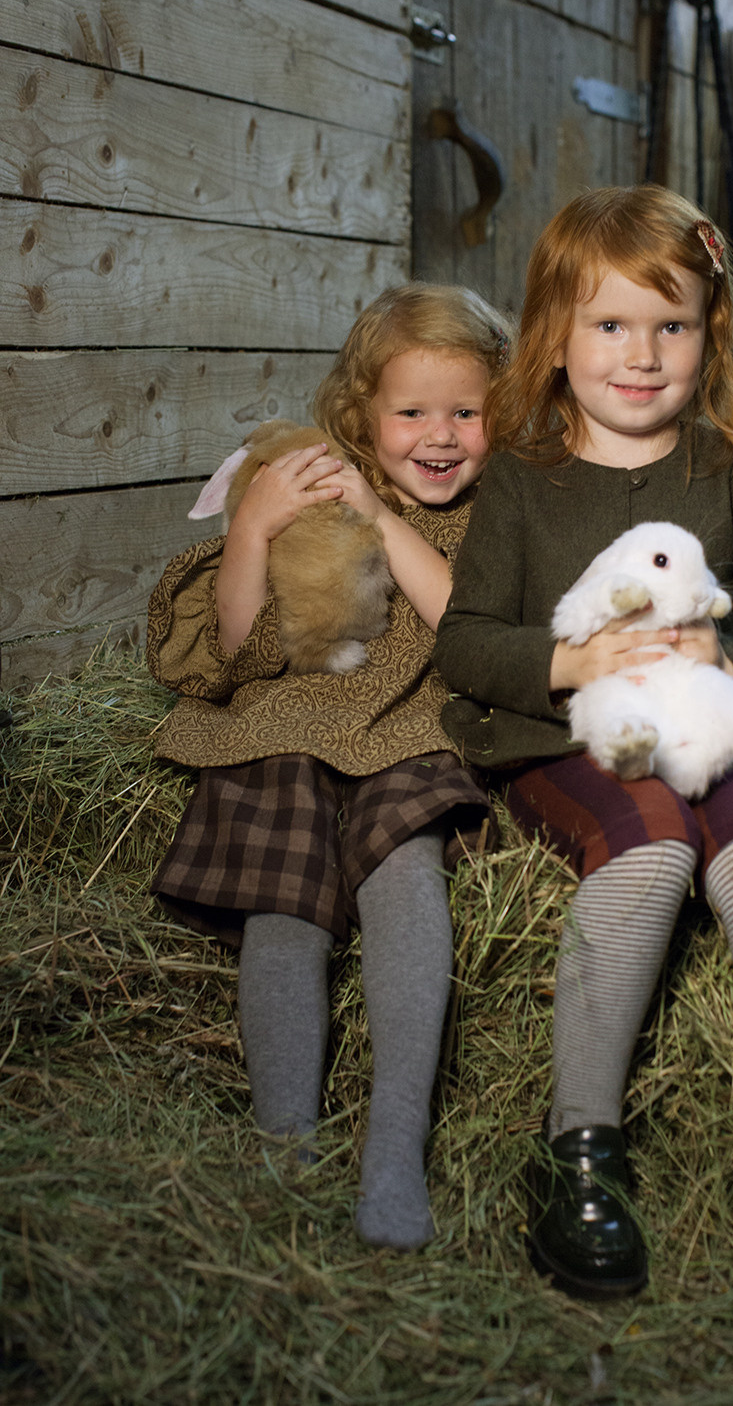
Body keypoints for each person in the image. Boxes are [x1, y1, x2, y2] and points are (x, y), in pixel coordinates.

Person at [433, 186, 733, 1326]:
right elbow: (465, 639)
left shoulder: (731, 467)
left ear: (711, 334)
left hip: (703, 724)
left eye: (671, 325)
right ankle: (578, 1157)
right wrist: (571, 666)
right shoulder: (525, 478)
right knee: (645, 854)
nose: (640, 356)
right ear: (554, 336)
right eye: (608, 326)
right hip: (572, 739)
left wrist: (723, 647)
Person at [147, 282, 510, 1251]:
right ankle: (286, 1147)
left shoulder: (501, 511)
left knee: (406, 876)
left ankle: (395, 1148)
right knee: (284, 906)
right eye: (410, 412)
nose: (439, 436)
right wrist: (254, 528)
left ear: (499, 414)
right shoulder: (307, 486)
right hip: (285, 725)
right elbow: (231, 651)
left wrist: (379, 515)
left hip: (410, 727)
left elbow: (470, 629)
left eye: (464, 412)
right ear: (362, 414)